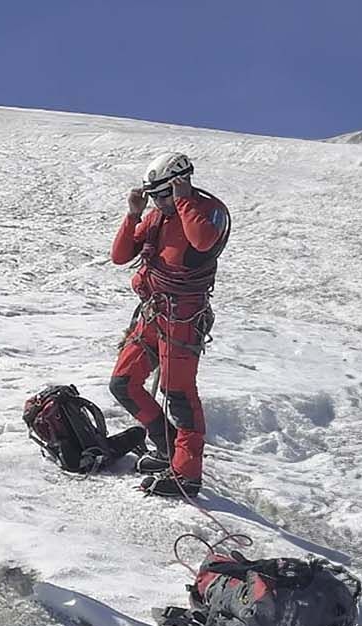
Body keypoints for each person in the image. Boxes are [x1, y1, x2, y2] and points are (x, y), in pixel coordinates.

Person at [108, 152, 231, 498]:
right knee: (123, 383)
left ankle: (187, 473)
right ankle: (167, 448)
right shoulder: (156, 217)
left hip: (183, 318)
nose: (158, 202)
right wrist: (134, 213)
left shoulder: (206, 211)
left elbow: (203, 241)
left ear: (181, 182)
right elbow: (120, 255)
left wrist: (183, 200)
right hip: (152, 313)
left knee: (178, 395)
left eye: (163, 195)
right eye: (155, 196)